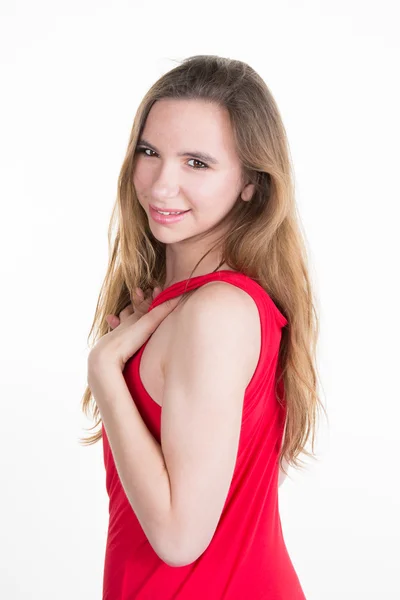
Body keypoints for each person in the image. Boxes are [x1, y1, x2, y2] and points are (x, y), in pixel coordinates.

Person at [80, 54, 326, 599]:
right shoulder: (193, 307)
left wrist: (105, 373)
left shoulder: (218, 312)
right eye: (150, 152)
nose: (162, 185)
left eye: (197, 163)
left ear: (250, 184)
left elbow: (179, 538)